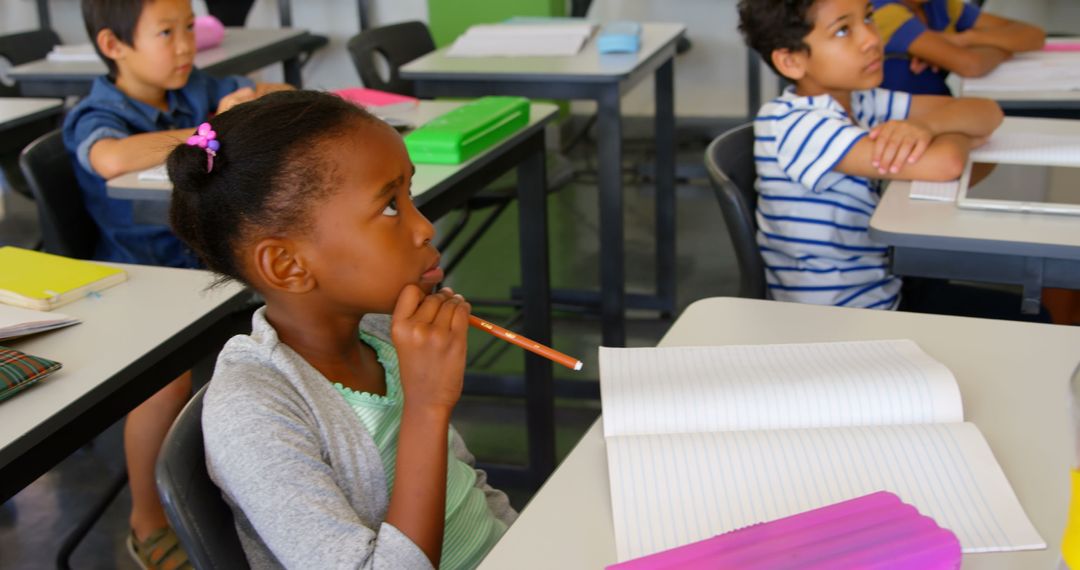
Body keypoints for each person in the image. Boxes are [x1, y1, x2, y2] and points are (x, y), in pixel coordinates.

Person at [165, 90, 516, 569]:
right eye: (390, 207)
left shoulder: (387, 334)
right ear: (287, 265)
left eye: (409, 196)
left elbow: (465, 487)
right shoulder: (251, 411)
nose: (425, 228)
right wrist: (427, 404)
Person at [61, 0, 290, 567]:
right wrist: (211, 132)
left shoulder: (193, 88)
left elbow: (270, 92)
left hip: (206, 267)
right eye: (167, 32)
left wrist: (253, 101)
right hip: (137, 280)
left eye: (190, 27)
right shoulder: (96, 113)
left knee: (306, 307)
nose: (187, 44)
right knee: (164, 381)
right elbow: (110, 158)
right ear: (114, 45)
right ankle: (147, 521)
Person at [734, 0, 1052, 319]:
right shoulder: (796, 124)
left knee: (1032, 315)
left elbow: (986, 112)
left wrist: (928, 127)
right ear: (791, 61)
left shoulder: (862, 100)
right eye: (843, 30)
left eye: (868, 18)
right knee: (1035, 319)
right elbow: (947, 164)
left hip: (883, 285)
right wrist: (958, 134)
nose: (872, 39)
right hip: (842, 316)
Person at [871, 0, 1045, 95]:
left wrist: (966, 39)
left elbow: (1034, 36)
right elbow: (971, 65)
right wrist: (1004, 48)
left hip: (940, 105)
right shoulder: (882, 12)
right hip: (900, 122)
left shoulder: (940, 5)